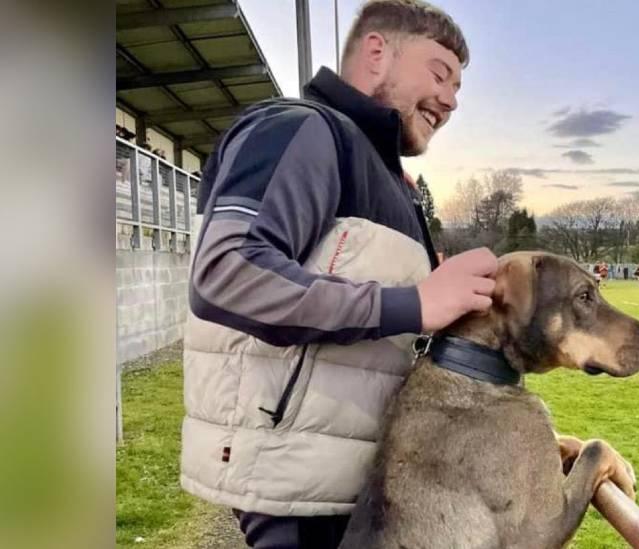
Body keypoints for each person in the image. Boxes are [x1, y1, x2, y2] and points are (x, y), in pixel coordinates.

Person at [180, 3, 494, 548]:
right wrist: (415, 303)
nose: (451, 99)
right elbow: (227, 272)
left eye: (459, 87)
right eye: (439, 73)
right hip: (296, 491)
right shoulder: (300, 128)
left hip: (356, 484)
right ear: (377, 53)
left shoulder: (390, 178)